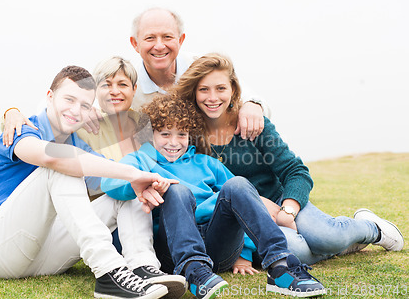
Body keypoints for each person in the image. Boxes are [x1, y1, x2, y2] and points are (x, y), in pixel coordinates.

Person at [0, 65, 185, 299]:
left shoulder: (78, 143)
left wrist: (136, 181)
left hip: (46, 256)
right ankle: (109, 272)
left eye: (85, 105)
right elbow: (51, 156)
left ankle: (143, 267)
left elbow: (109, 178)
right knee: (61, 167)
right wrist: (131, 173)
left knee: (125, 189)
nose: (76, 110)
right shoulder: (22, 129)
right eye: (69, 99)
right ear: (49, 97)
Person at [172, 53, 404, 268]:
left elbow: (295, 171)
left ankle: (371, 228)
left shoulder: (252, 124)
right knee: (297, 251)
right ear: (194, 92)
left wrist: (288, 210)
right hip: (242, 219)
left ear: (233, 89)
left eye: (221, 88)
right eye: (204, 90)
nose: (213, 98)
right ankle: (338, 248)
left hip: (282, 200)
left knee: (326, 236)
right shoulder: (185, 137)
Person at [101, 94, 327, 299]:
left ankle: (281, 267)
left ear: (190, 135)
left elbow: (243, 202)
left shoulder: (206, 163)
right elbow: (109, 181)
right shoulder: (140, 161)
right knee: (177, 189)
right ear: (150, 135)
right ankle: (194, 272)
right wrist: (141, 182)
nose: (173, 142)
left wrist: (245, 252)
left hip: (217, 244)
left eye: (181, 134)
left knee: (237, 184)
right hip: (172, 250)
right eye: (165, 133)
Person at [2, 7, 267, 145]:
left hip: (201, 157)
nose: (159, 45)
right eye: (150, 38)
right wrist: (13, 112)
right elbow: (64, 100)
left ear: (181, 39)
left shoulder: (200, 69)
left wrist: (253, 105)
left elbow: (239, 90)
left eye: (167, 37)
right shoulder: (124, 81)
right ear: (134, 43)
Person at [75, 56, 188, 298]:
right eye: (106, 84)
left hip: (145, 219)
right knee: (132, 186)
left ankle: (148, 267)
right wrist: (10, 114)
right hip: (100, 222)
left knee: (139, 190)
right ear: (96, 91)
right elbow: (43, 126)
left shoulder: (145, 122)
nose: (114, 91)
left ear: (134, 89)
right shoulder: (85, 127)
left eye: (123, 84)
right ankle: (143, 266)